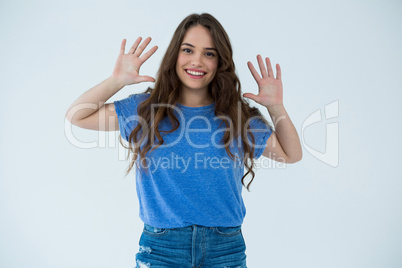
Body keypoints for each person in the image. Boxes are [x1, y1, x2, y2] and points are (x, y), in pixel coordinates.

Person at [65, 13, 302, 268]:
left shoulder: (237, 117)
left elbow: (291, 154)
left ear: (220, 62)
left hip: (225, 248)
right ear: (174, 55)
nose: (197, 61)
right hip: (161, 249)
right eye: (188, 50)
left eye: (209, 53)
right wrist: (117, 81)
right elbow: (77, 117)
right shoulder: (145, 111)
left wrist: (276, 106)